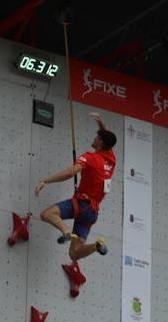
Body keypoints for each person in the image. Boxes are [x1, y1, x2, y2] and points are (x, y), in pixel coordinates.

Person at [36, 112, 116, 262]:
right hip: (92, 212)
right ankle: (97, 246)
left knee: (47, 214)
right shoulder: (110, 159)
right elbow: (108, 141)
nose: (94, 138)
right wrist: (100, 123)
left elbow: (70, 173)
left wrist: (46, 180)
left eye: (96, 137)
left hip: (81, 204)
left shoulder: (90, 157)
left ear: (100, 142)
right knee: (74, 254)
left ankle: (66, 231)